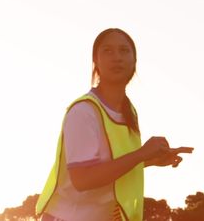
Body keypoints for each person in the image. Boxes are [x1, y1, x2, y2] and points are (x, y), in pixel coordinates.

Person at [36, 28, 193, 221]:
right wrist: (141, 154)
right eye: (108, 51)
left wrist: (151, 160)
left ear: (134, 61)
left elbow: (110, 165)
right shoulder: (84, 111)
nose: (117, 57)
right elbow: (83, 179)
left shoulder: (129, 111)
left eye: (124, 51)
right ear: (96, 61)